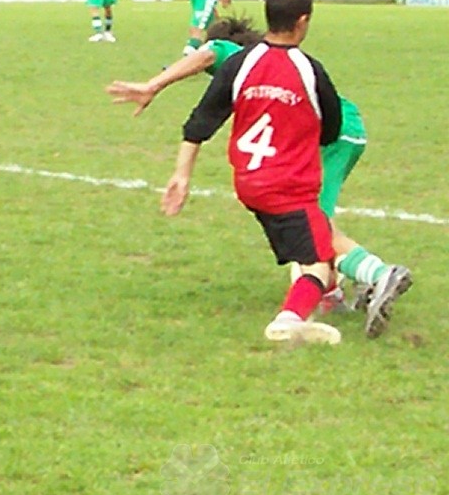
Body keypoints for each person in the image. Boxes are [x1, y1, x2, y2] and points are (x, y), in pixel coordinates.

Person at [107, 17, 412, 338]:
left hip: (331, 136)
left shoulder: (243, 57)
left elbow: (210, 52)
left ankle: (379, 275)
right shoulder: (272, 67)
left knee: (313, 224)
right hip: (341, 132)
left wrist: (153, 85)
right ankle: (333, 293)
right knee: (310, 223)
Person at [159, 0, 376, 345]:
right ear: (302, 22)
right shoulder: (310, 70)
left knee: (308, 246)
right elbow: (331, 130)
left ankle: (303, 312)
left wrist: (181, 175)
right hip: (289, 187)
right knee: (320, 262)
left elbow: (201, 120)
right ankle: (289, 319)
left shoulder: (239, 64)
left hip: (249, 184)